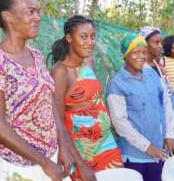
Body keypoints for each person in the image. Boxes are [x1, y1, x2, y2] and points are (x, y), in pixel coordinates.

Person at [0, 0, 83, 181]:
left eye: (38, 12)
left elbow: (49, 104)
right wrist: (44, 163)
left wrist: (63, 147)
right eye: (30, 12)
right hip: (22, 169)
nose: (37, 17)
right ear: (8, 17)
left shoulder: (36, 55)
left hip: (51, 160)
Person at [50, 15, 123, 181]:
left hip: (106, 143)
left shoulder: (88, 62)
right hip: (82, 151)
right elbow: (58, 121)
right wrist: (81, 164)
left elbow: (93, 100)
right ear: (69, 38)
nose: (90, 42)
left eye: (92, 37)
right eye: (83, 37)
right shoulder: (60, 72)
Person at [106, 34, 174, 181]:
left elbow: (166, 104)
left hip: (160, 150)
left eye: (144, 52)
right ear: (126, 55)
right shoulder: (117, 84)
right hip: (135, 156)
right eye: (135, 52)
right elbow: (120, 124)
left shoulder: (151, 74)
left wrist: (170, 134)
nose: (141, 56)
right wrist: (147, 147)